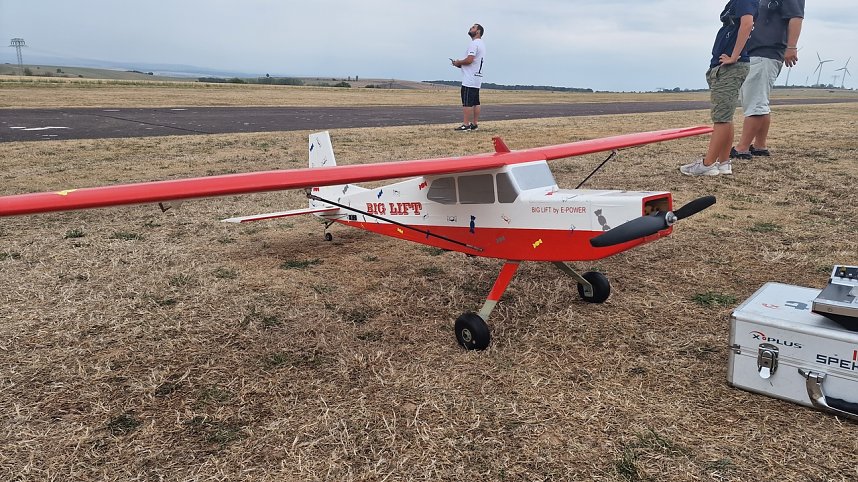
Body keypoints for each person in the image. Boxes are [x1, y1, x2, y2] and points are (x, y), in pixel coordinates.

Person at [680, 0, 757, 176]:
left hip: (730, 66)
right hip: (725, 65)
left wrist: (734, 56)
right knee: (725, 117)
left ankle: (707, 165)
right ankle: (723, 163)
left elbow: (747, 23)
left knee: (721, 118)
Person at [731, 0, 805, 160]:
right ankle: (759, 146)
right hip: (761, 52)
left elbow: (796, 17)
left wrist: (792, 46)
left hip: (765, 52)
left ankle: (742, 148)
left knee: (754, 102)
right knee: (761, 101)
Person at [451, 24, 485, 131]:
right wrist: (460, 65)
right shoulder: (482, 44)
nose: (470, 28)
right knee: (476, 102)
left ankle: (466, 125)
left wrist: (458, 62)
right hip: (477, 78)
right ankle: (474, 124)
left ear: (478, 31)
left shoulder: (474, 44)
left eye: (473, 28)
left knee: (467, 102)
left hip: (469, 79)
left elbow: (470, 60)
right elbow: (473, 62)